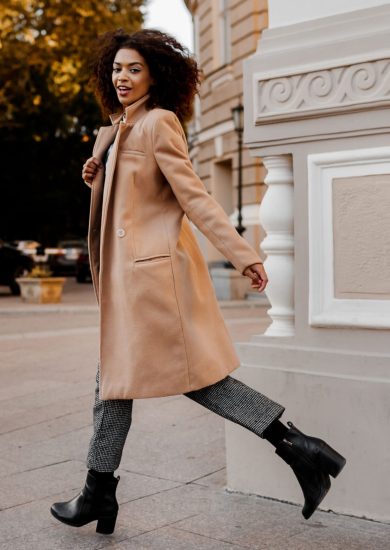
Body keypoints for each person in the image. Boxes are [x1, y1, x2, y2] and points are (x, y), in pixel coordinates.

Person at [50, 28, 346, 535]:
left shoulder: (159, 123)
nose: (123, 77)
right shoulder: (118, 129)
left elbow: (194, 197)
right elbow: (131, 205)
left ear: (156, 75)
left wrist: (242, 254)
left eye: (134, 69)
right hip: (128, 281)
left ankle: (301, 449)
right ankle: (100, 492)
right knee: (115, 386)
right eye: (117, 68)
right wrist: (98, 178)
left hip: (151, 282)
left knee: (185, 384)